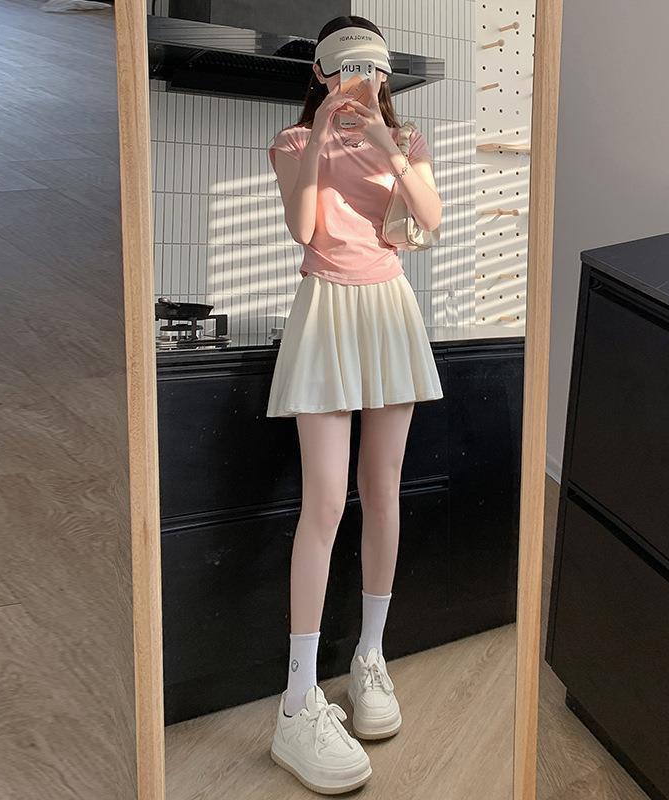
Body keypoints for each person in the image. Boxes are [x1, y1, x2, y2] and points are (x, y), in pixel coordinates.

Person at [266, 15, 444, 794]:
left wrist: (382, 145)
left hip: (389, 312)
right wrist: (323, 137)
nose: (359, 81)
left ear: (385, 73)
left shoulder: (407, 141)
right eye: (344, 68)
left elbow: (429, 221)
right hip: (325, 312)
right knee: (325, 501)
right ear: (320, 72)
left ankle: (370, 657)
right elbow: (304, 227)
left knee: (383, 489)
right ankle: (298, 698)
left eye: (370, 68)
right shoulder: (292, 142)